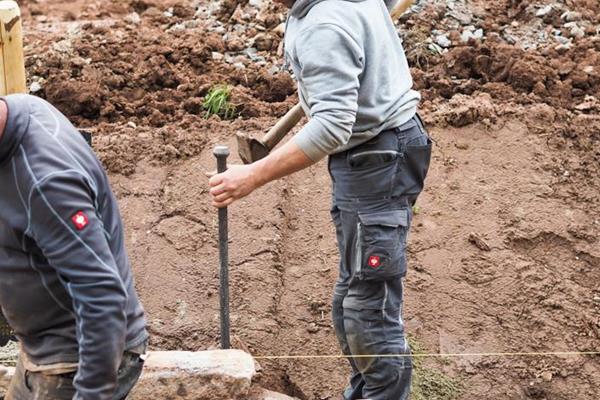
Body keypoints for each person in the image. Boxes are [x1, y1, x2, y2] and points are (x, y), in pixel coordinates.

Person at [209, 0, 432, 398]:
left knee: (368, 309)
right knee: (351, 298)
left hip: (377, 158)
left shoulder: (322, 27)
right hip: (375, 153)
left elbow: (332, 126)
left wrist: (253, 176)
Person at [0, 94, 148, 400]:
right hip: (41, 347)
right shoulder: (22, 107)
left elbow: (102, 295)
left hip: (76, 358)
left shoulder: (47, 183)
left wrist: (92, 393)